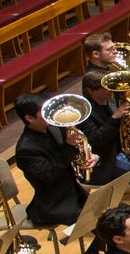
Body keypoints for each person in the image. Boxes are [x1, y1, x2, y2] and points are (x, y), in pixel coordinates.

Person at [13, 92, 96, 230]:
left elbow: (73, 153)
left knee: (115, 212)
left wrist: (90, 155)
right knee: (100, 223)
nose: (50, 113)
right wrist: (68, 147)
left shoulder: (55, 126)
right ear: (29, 118)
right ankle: (93, 252)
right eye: (43, 111)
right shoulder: (25, 150)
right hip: (55, 204)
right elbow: (50, 174)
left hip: (75, 193)